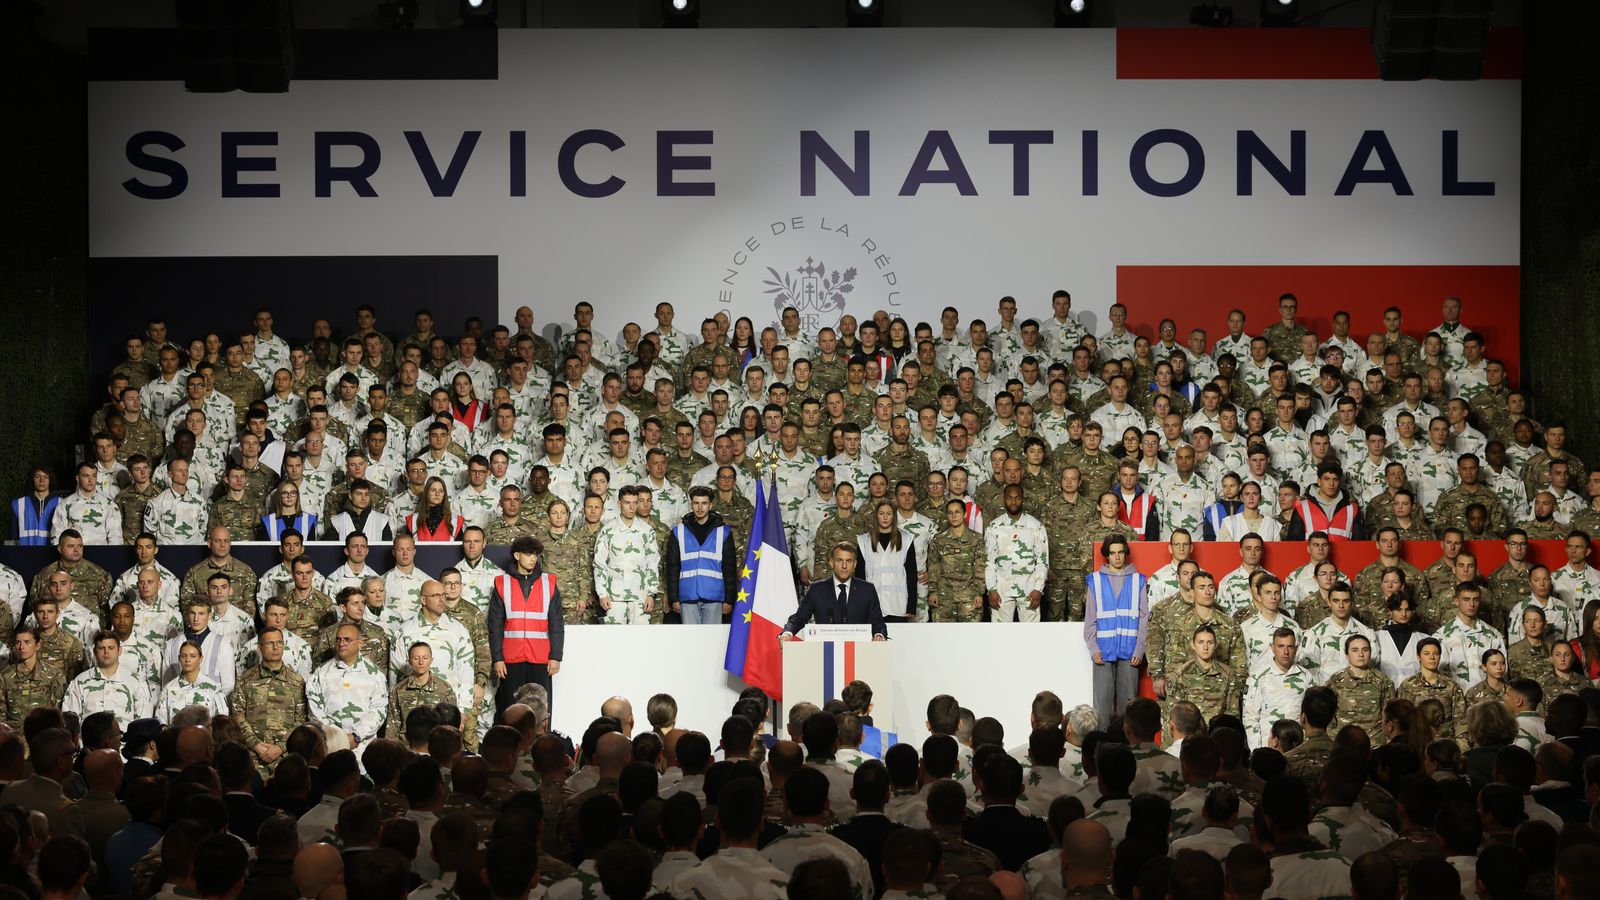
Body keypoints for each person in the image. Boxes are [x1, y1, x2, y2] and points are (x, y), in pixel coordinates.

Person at [488, 536, 565, 712]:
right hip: (510, 659)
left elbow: (557, 624)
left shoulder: (549, 583)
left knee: (540, 709)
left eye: (535, 555)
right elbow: (495, 626)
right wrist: (497, 658)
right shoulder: (502, 584)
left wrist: (555, 657)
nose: (533, 559)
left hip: (540, 658)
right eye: (528, 554)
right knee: (511, 708)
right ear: (516, 555)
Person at [1084, 536, 1147, 727]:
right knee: (1101, 708)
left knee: (1128, 708)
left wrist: (1139, 649)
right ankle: (1101, 749)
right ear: (1107, 555)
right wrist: (1094, 648)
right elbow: (1090, 620)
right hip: (1102, 653)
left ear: (1126, 553)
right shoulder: (1095, 580)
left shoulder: (1138, 580)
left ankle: (1126, 750)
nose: (1117, 557)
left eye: (1121, 552)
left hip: (1130, 654)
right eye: (1113, 553)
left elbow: (1144, 618)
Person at [662, 486, 738, 625]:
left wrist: (728, 599)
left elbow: (730, 569)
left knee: (712, 642)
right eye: (696, 503)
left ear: (711, 505)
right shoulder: (678, 531)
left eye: (704, 503)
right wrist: (674, 598)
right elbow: (672, 568)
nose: (700, 507)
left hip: (715, 596)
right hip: (687, 596)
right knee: (691, 642)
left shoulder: (723, 532)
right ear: (691, 505)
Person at [781, 543, 889, 640]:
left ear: (855, 564)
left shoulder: (867, 590)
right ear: (831, 563)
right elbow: (800, 617)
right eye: (839, 560)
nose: (844, 566)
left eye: (849, 561)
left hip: (858, 653)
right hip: (825, 653)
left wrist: (879, 635)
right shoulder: (817, 589)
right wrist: (788, 632)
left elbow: (878, 623)